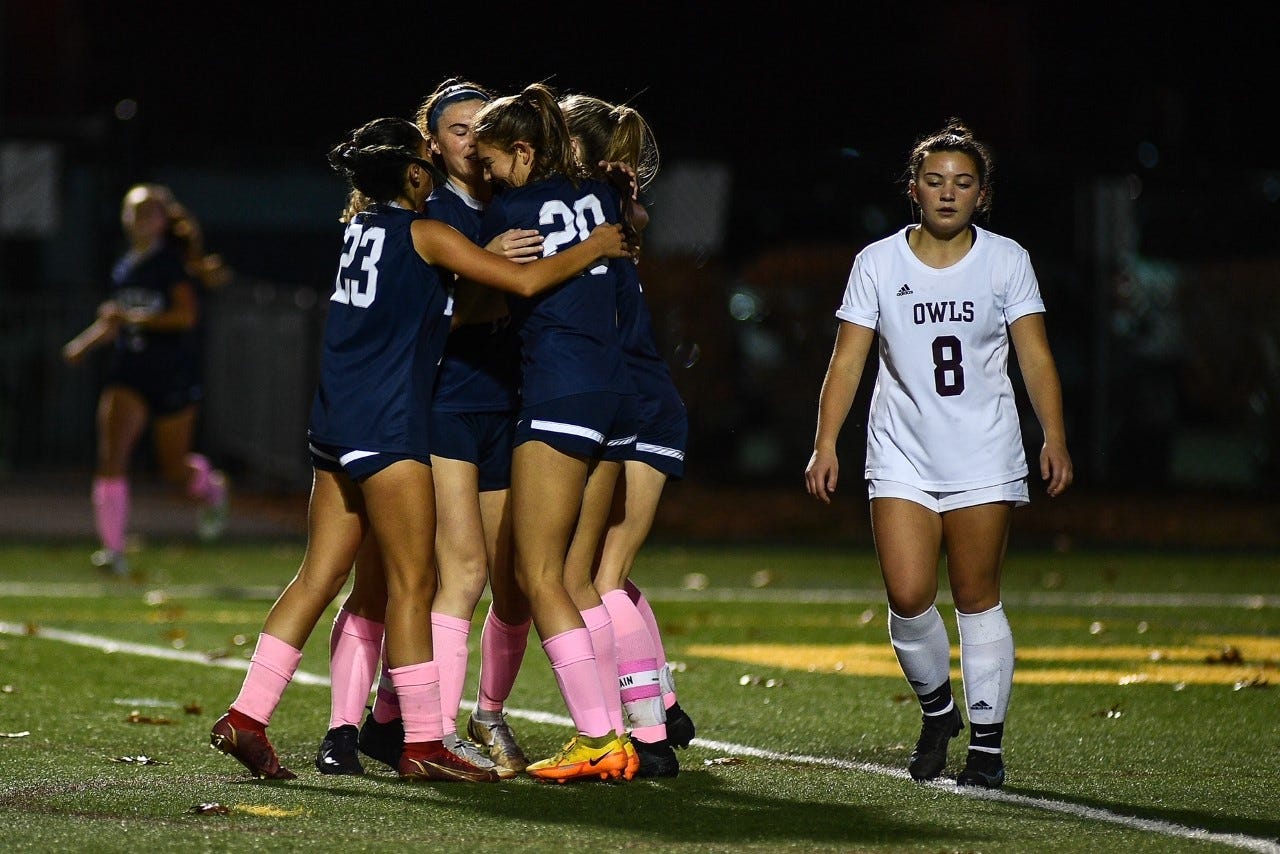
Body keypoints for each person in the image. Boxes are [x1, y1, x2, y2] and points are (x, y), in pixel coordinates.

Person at [208, 116, 629, 783]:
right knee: (414, 583)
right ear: (411, 174)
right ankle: (424, 743)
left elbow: (428, 310)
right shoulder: (426, 231)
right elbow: (519, 284)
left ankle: (247, 717)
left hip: (334, 423)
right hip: (388, 425)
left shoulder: (358, 231)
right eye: (427, 164)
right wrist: (599, 242)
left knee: (317, 577)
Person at [803, 118, 1073, 790]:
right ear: (913, 189)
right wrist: (824, 442)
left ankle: (987, 746)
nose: (948, 193)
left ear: (982, 195)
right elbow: (847, 362)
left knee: (977, 596)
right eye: (935, 181)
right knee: (908, 595)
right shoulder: (878, 262)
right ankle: (938, 711)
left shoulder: (1007, 260)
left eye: (963, 183)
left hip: (984, 452)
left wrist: (1055, 437)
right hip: (901, 453)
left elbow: (1035, 356)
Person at [321, 79, 541, 779]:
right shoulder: (427, 211)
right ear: (430, 146)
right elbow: (445, 312)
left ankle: (415, 720)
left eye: (484, 127)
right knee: (419, 575)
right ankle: (405, 731)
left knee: (508, 578)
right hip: (430, 406)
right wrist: (499, 274)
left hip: (499, 404)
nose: (473, 141)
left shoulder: (514, 193)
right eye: (458, 130)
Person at [470, 82, 640, 782]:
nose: (483, 176)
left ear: (521, 149)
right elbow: (627, 223)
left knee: (536, 573)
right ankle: (625, 732)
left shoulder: (511, 209)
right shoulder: (599, 196)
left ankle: (601, 737)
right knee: (579, 575)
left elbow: (522, 285)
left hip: (561, 390)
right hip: (608, 391)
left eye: (491, 161)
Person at [558, 92, 697, 778]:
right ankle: (663, 709)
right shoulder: (612, 209)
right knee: (608, 572)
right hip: (642, 402)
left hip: (632, 407)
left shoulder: (586, 216)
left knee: (594, 577)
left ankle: (644, 736)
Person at [62, 183, 231, 578]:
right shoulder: (125, 265)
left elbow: (185, 317)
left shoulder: (171, 264)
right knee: (112, 455)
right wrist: (84, 345)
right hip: (130, 372)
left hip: (171, 372)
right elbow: (116, 319)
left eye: (147, 212)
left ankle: (211, 488)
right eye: (131, 211)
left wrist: (133, 320)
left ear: (162, 220)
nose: (138, 220)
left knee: (174, 470)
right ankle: (113, 551)